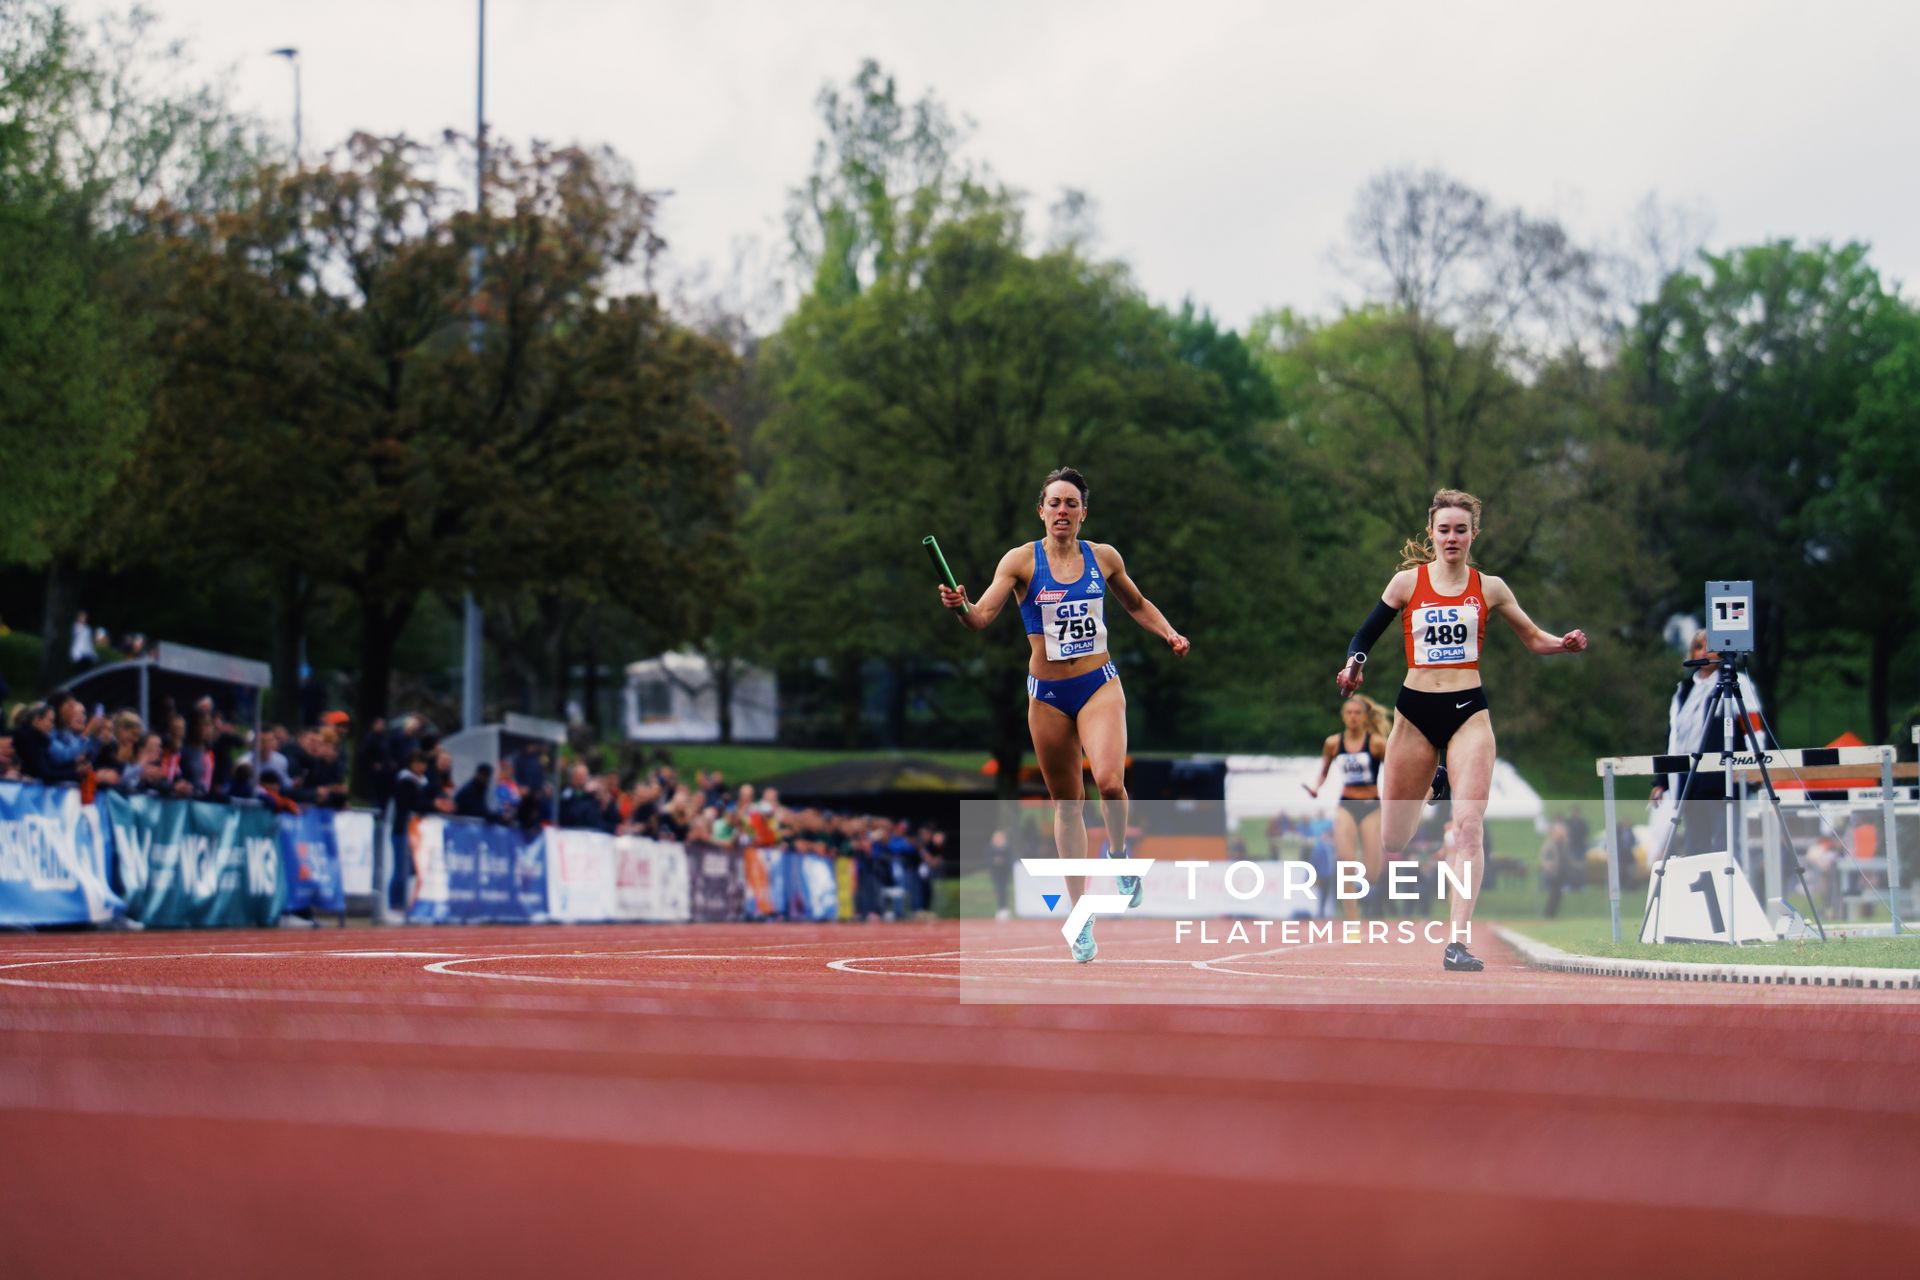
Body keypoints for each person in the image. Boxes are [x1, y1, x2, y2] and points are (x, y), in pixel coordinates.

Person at [938, 465, 1190, 962]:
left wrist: (1169, 633)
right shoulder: (1020, 562)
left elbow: (1137, 604)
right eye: (1054, 503)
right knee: (1067, 803)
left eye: (1071, 503)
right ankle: (1080, 919)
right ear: (1041, 510)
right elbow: (981, 618)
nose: (1062, 511)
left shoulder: (1105, 557)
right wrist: (958, 606)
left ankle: (1118, 858)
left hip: (1099, 686)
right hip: (1048, 698)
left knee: (1111, 782)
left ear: (1083, 513)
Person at [1336, 488, 1587, 972]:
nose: (1452, 538)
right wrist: (1355, 664)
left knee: (1469, 828)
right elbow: (1364, 634)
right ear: (1430, 533)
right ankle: (1437, 781)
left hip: (1469, 712)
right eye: (1444, 529)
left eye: (1460, 529)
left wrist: (1565, 643)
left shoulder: (1489, 587)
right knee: (1393, 840)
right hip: (1414, 713)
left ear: (1474, 534)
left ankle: (1457, 942)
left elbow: (1534, 638)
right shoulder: (1406, 584)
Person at [1650, 628, 1764, 860]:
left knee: (1727, 843)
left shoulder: (1735, 683)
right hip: (1691, 780)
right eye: (1699, 647)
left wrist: (1756, 768)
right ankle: (1701, 893)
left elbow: (1754, 728)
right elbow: (1673, 737)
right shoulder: (1684, 690)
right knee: (1694, 844)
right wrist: (1662, 780)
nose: (1705, 653)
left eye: (1711, 647)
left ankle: (1730, 892)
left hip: (1723, 780)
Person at [1304, 695, 1390, 920]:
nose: (1353, 717)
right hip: (1346, 804)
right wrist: (1316, 787)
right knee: (1345, 864)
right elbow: (1323, 772)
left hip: (1371, 805)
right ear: (1343, 716)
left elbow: (1393, 773)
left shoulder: (1377, 743)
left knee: (1371, 872)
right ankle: (1352, 918)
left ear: (1364, 717)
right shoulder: (1333, 743)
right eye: (1349, 713)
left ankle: (1363, 869)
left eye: (1357, 713)